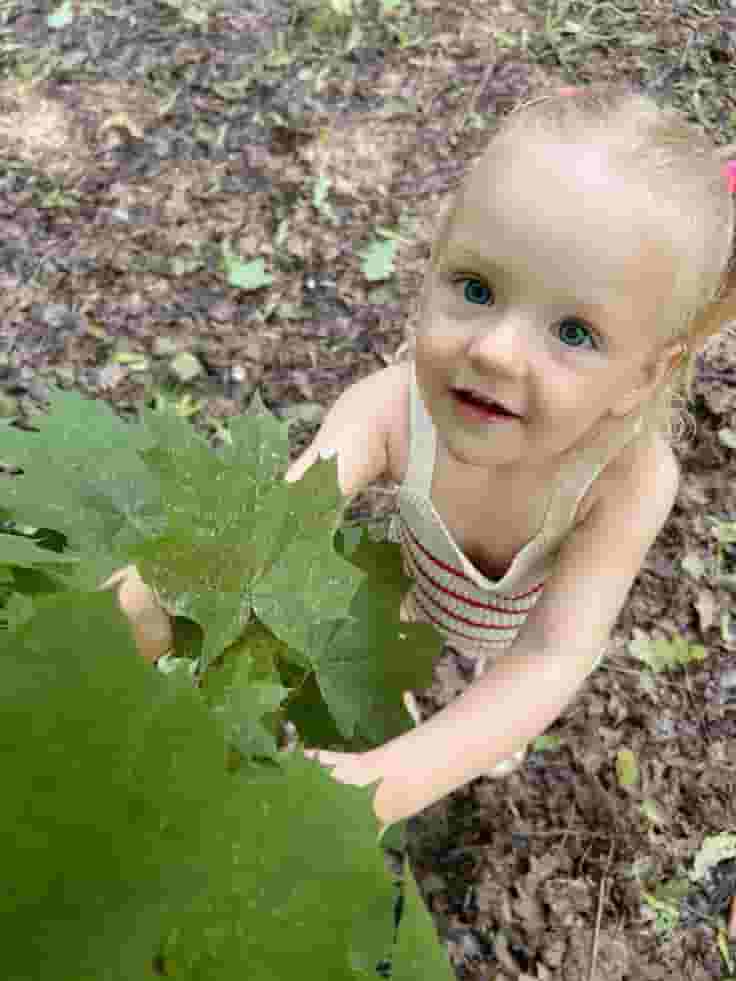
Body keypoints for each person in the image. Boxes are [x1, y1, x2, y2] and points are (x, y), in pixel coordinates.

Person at [102, 83, 736, 832]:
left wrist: (394, 779)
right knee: (405, 629)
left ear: (643, 376)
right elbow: (273, 527)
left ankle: (463, 724)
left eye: (573, 332)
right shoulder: (388, 411)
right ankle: (412, 683)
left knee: (492, 697)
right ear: (433, 263)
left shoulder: (627, 483)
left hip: (513, 629)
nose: (495, 351)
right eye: (475, 287)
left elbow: (549, 656)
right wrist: (148, 602)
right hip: (417, 583)